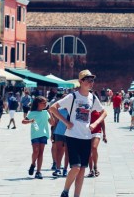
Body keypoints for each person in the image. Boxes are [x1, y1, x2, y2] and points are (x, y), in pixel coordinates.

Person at [50, 69, 106, 197]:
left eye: (92, 81)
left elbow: (104, 112)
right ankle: (65, 190)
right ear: (81, 81)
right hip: (73, 136)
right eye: (88, 80)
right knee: (76, 167)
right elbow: (53, 108)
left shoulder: (93, 97)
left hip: (86, 137)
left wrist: (95, 123)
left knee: (82, 170)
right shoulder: (72, 97)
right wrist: (66, 122)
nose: (91, 83)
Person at [23, 96, 50, 179]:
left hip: (44, 134)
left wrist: (52, 114)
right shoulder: (32, 113)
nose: (45, 104)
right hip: (35, 134)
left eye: (46, 103)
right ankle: (33, 164)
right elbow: (23, 121)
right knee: (36, 151)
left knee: (41, 152)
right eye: (43, 103)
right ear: (38, 103)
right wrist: (30, 121)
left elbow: (52, 123)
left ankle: (38, 171)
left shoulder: (46, 112)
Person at [51, 93, 69, 177]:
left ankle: (65, 169)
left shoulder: (73, 111)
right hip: (59, 132)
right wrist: (52, 133)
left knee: (67, 152)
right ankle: (58, 168)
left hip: (69, 133)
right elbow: (56, 122)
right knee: (59, 151)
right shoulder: (59, 110)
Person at [87, 107, 106, 178]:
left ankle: (95, 166)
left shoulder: (99, 110)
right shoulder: (86, 108)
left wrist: (104, 134)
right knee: (88, 151)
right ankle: (91, 170)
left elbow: (102, 122)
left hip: (97, 131)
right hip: (86, 132)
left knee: (94, 147)